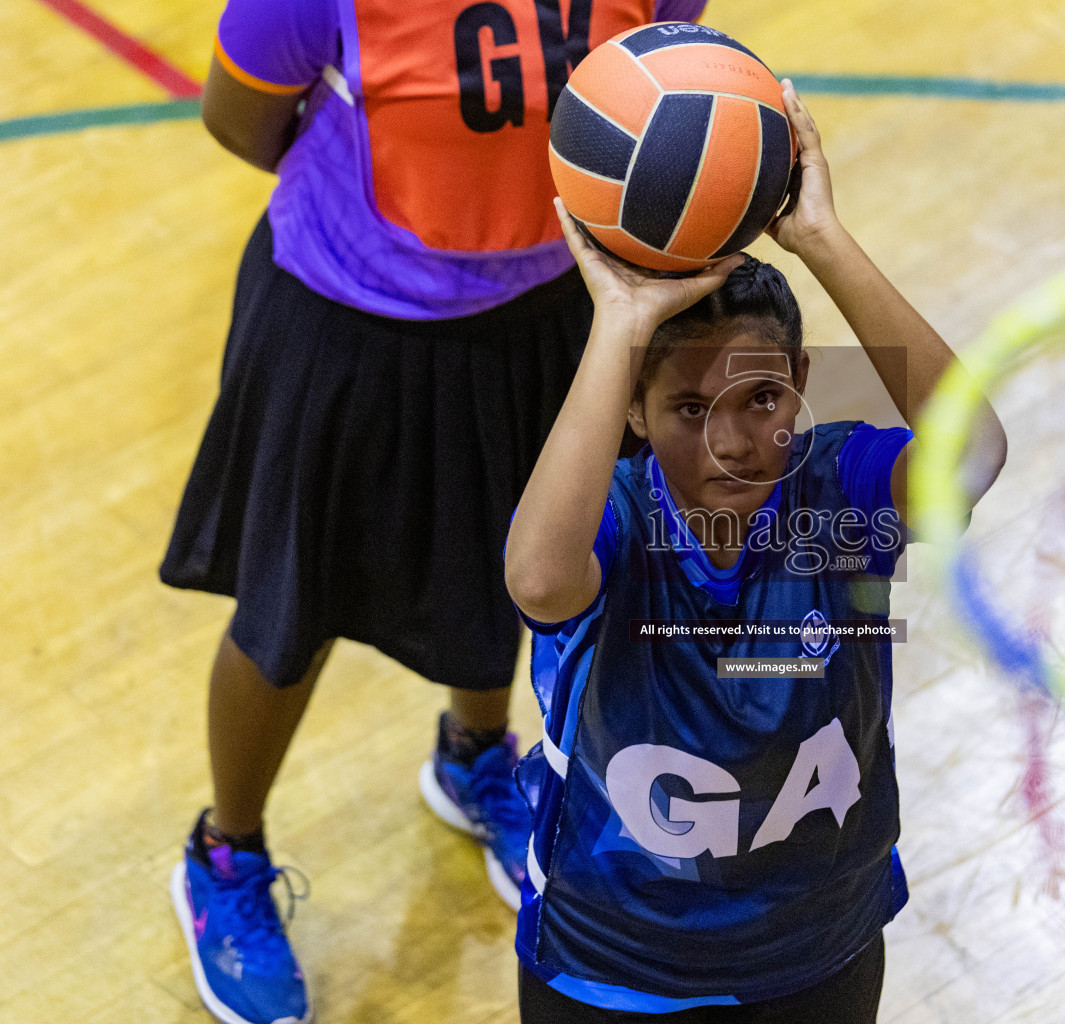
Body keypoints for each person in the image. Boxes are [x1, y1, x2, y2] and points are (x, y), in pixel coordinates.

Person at [162, 2, 706, 1023]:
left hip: (542, 307)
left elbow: (661, 69)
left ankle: (473, 761)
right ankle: (224, 853)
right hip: (343, 316)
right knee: (288, 616)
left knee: (513, 563)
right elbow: (241, 119)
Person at [503, 80, 1007, 1021]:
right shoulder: (607, 522)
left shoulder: (838, 487)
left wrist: (822, 238)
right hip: (616, 962)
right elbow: (536, 580)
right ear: (634, 415)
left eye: (761, 401)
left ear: (801, 386)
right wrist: (620, 321)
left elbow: (974, 457)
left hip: (817, 946)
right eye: (688, 410)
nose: (730, 443)